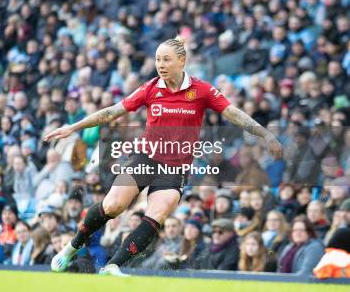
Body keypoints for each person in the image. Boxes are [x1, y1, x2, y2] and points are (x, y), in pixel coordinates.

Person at [46, 36, 282, 276]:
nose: (160, 64)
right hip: (145, 158)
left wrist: (265, 134)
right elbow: (112, 112)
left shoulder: (201, 90)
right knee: (113, 205)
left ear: (182, 61)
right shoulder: (150, 88)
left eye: (166, 59)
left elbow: (234, 114)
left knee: (158, 212)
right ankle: (71, 246)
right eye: (158, 59)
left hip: (176, 168)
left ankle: (112, 265)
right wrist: (74, 127)